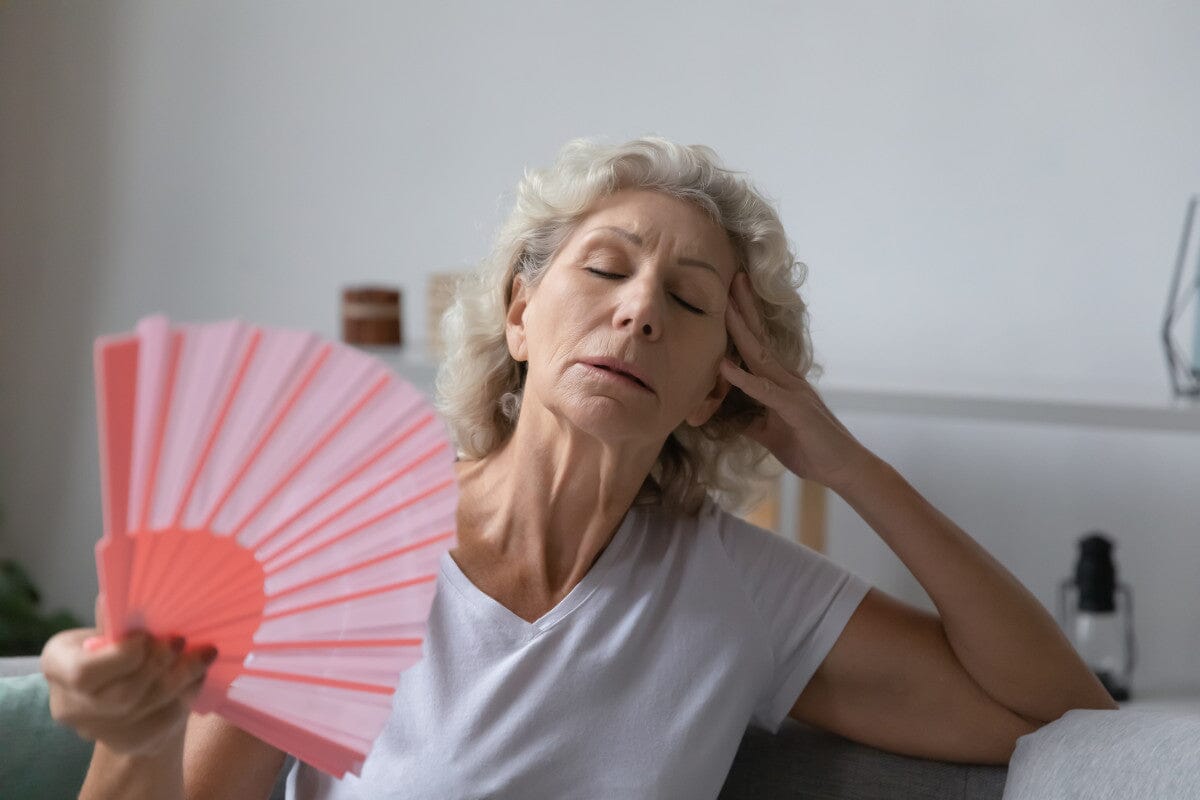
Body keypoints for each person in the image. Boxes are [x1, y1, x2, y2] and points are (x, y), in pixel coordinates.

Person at [41, 136, 1117, 799]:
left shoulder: (744, 590)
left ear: (715, 387)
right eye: (605, 268)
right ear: (520, 313)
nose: (641, 305)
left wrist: (844, 462)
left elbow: (1054, 707)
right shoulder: (341, 549)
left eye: (689, 301)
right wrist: (132, 739)